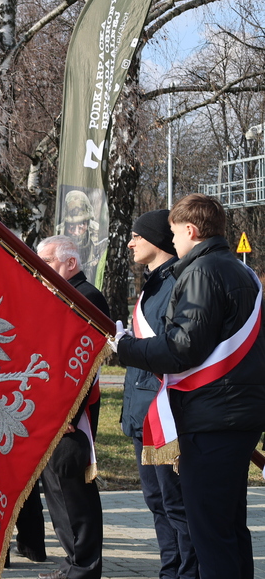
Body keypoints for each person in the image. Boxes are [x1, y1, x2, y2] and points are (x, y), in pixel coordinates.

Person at [115, 194, 265, 579]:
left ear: (190, 230)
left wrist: (126, 347)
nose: (173, 241)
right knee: (230, 529)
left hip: (212, 417)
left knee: (209, 534)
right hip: (237, 413)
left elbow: (183, 347)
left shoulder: (202, 272)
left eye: (174, 233)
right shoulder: (240, 271)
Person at [120, 210, 197, 579]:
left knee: (175, 504)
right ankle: (171, 570)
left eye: (137, 235)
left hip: (163, 412)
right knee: (156, 501)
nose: (131, 242)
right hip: (143, 411)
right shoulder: (152, 283)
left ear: (157, 240)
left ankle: (186, 573)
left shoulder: (176, 283)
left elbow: (174, 347)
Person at [33, 235, 106, 579]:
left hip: (71, 417)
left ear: (71, 263)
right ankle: (73, 563)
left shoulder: (87, 297)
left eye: (47, 262)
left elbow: (83, 365)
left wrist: (69, 415)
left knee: (74, 490)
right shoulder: (60, 295)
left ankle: (84, 566)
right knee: (58, 490)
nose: (40, 269)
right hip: (53, 412)